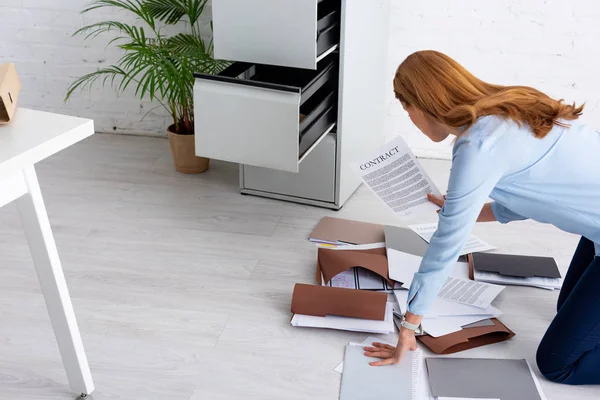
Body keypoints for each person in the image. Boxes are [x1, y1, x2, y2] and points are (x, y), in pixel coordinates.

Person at [365, 50, 600, 385]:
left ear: (422, 102)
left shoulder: (478, 145)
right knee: (567, 308)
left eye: (406, 107)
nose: (408, 117)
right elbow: (535, 197)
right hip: (595, 229)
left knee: (557, 364)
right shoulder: (511, 107)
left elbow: (447, 243)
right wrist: (464, 207)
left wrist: (409, 326)